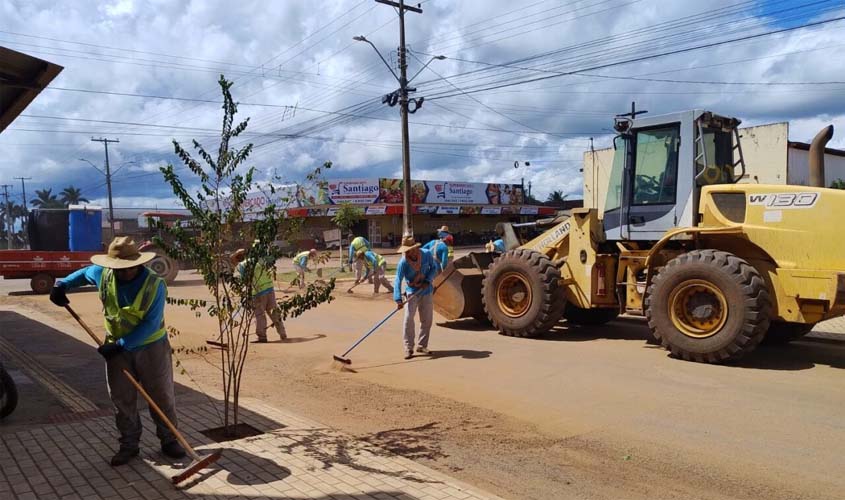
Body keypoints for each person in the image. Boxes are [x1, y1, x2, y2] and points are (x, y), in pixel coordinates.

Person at [48, 237, 185, 466]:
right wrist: (62, 285)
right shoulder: (105, 273)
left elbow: (150, 324)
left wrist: (120, 346)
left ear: (137, 263)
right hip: (116, 348)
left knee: (160, 395)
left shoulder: (154, 284)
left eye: (127, 268)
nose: (122, 273)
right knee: (122, 399)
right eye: (117, 268)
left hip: (150, 347)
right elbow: (84, 273)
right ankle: (129, 445)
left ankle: (169, 440)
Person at [393, 235, 438, 360]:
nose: (407, 252)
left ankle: (422, 345)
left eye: (409, 250)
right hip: (412, 292)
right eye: (405, 251)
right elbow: (398, 279)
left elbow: (434, 268)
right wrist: (397, 298)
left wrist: (428, 280)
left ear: (415, 248)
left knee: (427, 319)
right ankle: (408, 348)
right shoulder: (403, 262)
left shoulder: (426, 254)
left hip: (426, 290)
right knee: (408, 319)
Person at [231, 248, 286, 343]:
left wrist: (236, 252)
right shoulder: (258, 260)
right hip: (269, 289)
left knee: (260, 315)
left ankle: (262, 336)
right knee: (274, 312)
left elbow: (232, 260)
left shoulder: (242, 265)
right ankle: (282, 333)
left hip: (258, 293)